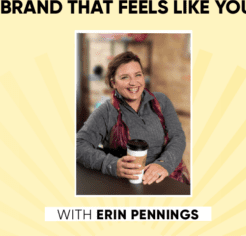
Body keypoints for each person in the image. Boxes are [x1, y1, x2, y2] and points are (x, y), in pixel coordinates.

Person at [76, 51, 189, 185]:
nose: (133, 82)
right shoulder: (106, 111)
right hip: (129, 183)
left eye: (138, 75)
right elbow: (79, 145)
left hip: (168, 176)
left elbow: (177, 137)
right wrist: (111, 165)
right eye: (125, 77)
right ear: (113, 83)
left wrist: (163, 164)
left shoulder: (161, 101)